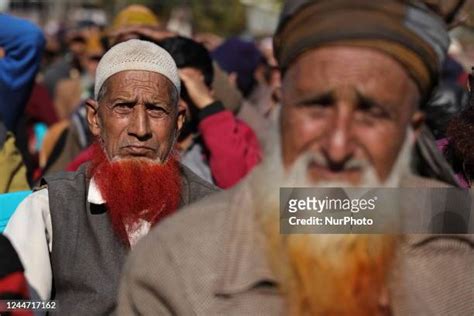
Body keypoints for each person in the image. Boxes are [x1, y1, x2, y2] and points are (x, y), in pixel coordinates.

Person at [117, 1, 473, 315]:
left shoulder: (457, 243)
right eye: (316, 107)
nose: (337, 146)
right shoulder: (176, 264)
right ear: (280, 107)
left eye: (371, 113)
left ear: (411, 130)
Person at [4, 39, 217, 314]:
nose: (140, 129)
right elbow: (17, 305)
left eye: (156, 110)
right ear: (94, 118)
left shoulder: (214, 213)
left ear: (178, 122)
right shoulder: (49, 209)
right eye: (124, 107)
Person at [159, 36, 262, 188]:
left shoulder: (234, 133)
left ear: (207, 90)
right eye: (169, 88)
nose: (175, 100)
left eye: (186, 89)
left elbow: (237, 186)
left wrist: (210, 109)